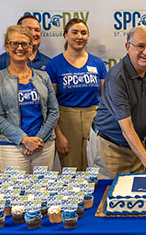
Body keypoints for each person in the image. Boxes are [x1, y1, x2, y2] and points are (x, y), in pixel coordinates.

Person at [91, 26, 146, 179]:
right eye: (140, 46)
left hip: (138, 146)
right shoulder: (117, 77)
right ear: (127, 47)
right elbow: (127, 128)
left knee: (136, 197)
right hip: (110, 147)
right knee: (108, 197)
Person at [0, 26, 59, 174]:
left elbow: (54, 111)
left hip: (43, 145)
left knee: (43, 193)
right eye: (14, 43)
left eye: (25, 44)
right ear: (7, 47)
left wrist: (37, 140)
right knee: (14, 195)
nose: (19, 48)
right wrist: (24, 140)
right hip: (12, 146)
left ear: (31, 47)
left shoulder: (43, 76)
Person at [45, 18, 107, 170]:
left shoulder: (97, 63)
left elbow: (106, 98)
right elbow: (50, 104)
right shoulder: (54, 64)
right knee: (71, 170)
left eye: (84, 33)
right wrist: (58, 135)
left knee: (94, 167)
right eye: (75, 32)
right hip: (65, 119)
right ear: (66, 35)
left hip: (93, 117)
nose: (79, 36)